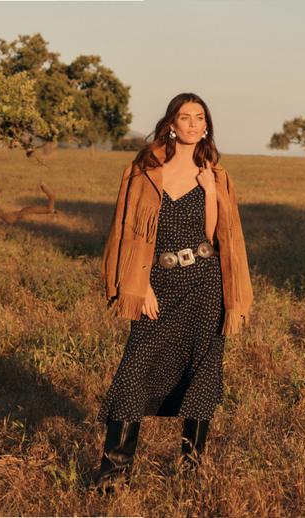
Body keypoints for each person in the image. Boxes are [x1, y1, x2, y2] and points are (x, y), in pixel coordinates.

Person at [94, 93, 253, 490]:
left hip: (204, 281)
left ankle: (191, 471)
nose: (194, 125)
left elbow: (217, 235)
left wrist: (210, 189)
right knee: (134, 372)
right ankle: (113, 475)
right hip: (158, 282)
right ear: (171, 123)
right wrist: (139, 284)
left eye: (201, 118)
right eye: (186, 118)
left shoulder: (215, 173)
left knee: (202, 372)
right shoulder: (145, 169)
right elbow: (126, 229)